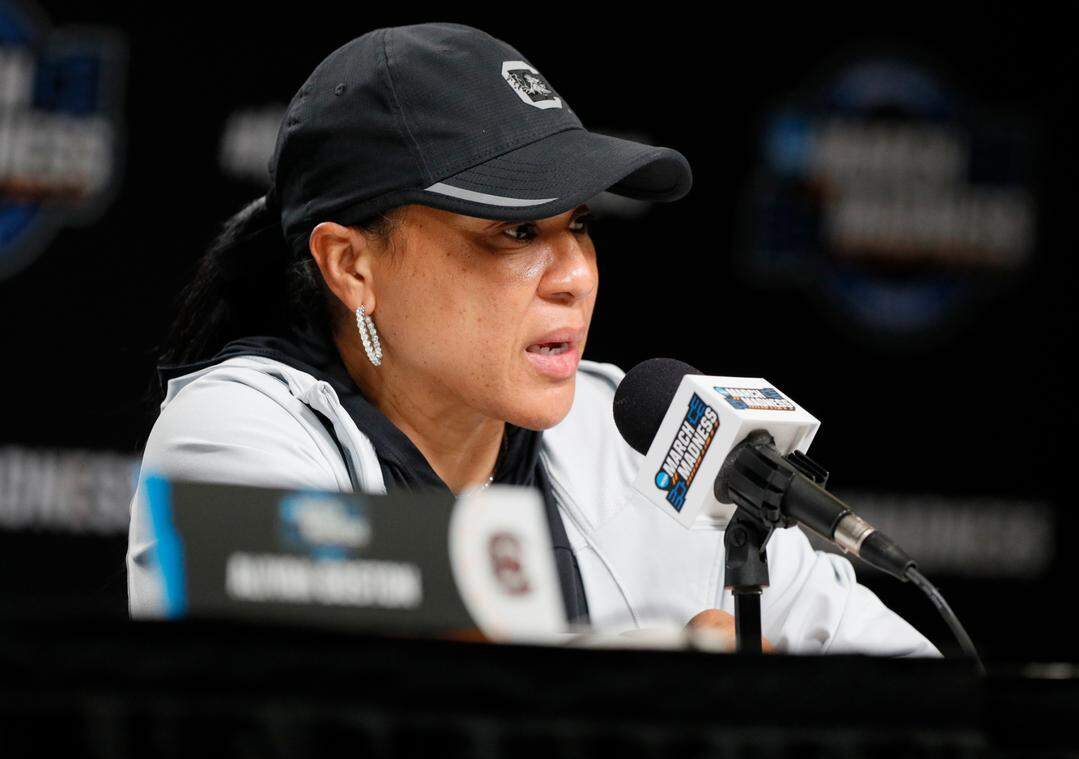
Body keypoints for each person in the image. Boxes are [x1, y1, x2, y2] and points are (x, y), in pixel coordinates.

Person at [126, 22, 938, 656]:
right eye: (514, 230)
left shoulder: (645, 439)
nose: (575, 274)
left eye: (579, 223)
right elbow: (318, 705)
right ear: (351, 265)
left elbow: (913, 696)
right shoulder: (234, 430)